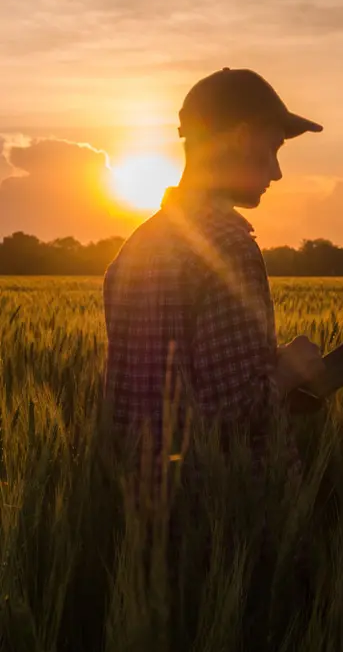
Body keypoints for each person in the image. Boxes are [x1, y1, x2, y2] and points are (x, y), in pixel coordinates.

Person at [103, 67, 326, 477]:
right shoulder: (227, 248)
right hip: (232, 509)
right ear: (241, 137)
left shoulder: (134, 248)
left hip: (149, 508)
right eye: (273, 147)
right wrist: (289, 371)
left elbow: (157, 402)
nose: (276, 172)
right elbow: (235, 413)